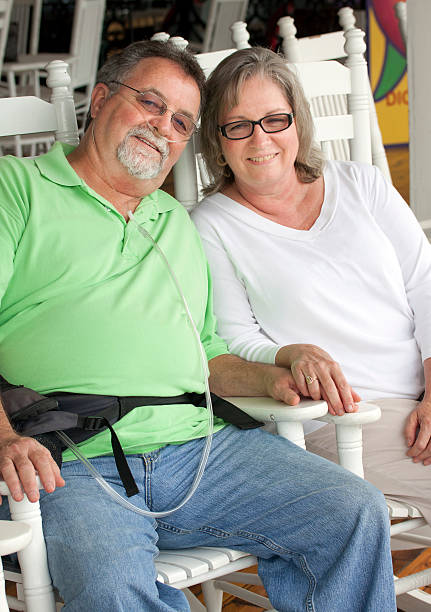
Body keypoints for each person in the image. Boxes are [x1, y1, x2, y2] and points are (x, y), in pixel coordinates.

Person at [0, 41, 396, 611]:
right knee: (112, 587)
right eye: (152, 104)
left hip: (202, 451)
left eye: (181, 121)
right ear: (103, 99)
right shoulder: (18, 191)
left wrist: (273, 374)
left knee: (351, 511)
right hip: (73, 461)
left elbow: (207, 357)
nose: (164, 127)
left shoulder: (175, 226)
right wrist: (5, 437)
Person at [191, 45, 431, 528]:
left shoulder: (363, 184)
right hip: (344, 419)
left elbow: (425, 286)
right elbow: (235, 339)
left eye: (274, 119)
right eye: (238, 125)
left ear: (298, 121)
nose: (260, 140)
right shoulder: (210, 225)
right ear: (217, 141)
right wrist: (290, 355)